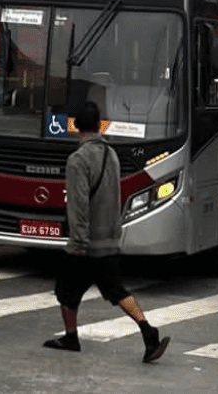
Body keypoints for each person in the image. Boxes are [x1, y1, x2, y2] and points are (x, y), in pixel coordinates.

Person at [44, 101, 169, 362]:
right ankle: (148, 331)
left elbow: (78, 204)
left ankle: (70, 337)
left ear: (76, 125)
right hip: (109, 239)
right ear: (99, 124)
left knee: (65, 291)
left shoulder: (78, 159)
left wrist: (77, 241)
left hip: (85, 243)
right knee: (117, 290)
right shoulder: (112, 154)